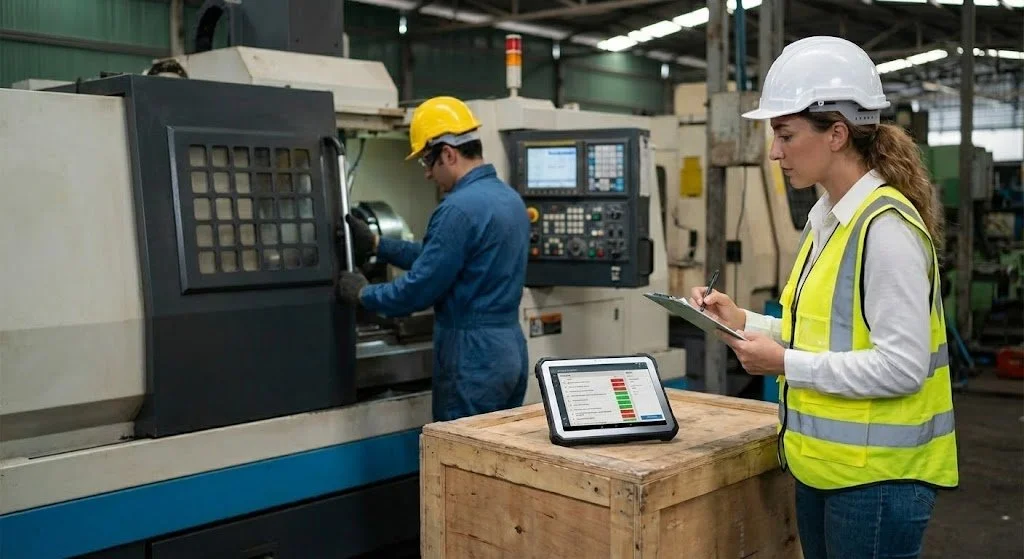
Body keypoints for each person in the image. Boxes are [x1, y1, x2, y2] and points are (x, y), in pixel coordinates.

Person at [691, 36, 959, 559]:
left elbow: (902, 368)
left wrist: (785, 362)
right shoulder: (828, 220)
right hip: (827, 469)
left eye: (786, 135)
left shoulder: (885, 229)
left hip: (878, 482)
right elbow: (821, 332)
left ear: (836, 133)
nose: (774, 152)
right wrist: (742, 319)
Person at [337, 96, 531, 422]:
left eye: (428, 163)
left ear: (448, 154)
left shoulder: (457, 208)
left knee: (462, 462)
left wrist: (362, 294)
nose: (427, 175)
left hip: (471, 357)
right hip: (508, 350)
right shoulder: (509, 200)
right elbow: (442, 258)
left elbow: (419, 289)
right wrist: (376, 243)